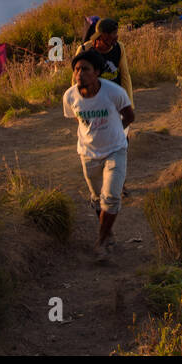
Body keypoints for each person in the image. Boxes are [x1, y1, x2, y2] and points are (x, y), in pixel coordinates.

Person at [63, 49, 134, 262]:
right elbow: (77, 118)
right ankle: (107, 232)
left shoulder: (114, 92)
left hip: (115, 149)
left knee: (111, 196)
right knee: (97, 199)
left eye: (85, 69)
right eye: (76, 69)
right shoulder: (69, 96)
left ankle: (101, 242)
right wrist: (93, 132)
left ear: (97, 72)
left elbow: (130, 116)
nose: (79, 74)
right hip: (88, 153)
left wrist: (115, 132)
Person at [77, 17, 135, 110]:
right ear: (102, 36)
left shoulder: (119, 48)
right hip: (94, 101)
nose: (116, 38)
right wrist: (81, 103)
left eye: (116, 34)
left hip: (115, 99)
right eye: (113, 35)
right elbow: (76, 79)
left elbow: (125, 76)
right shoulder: (85, 50)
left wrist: (128, 103)